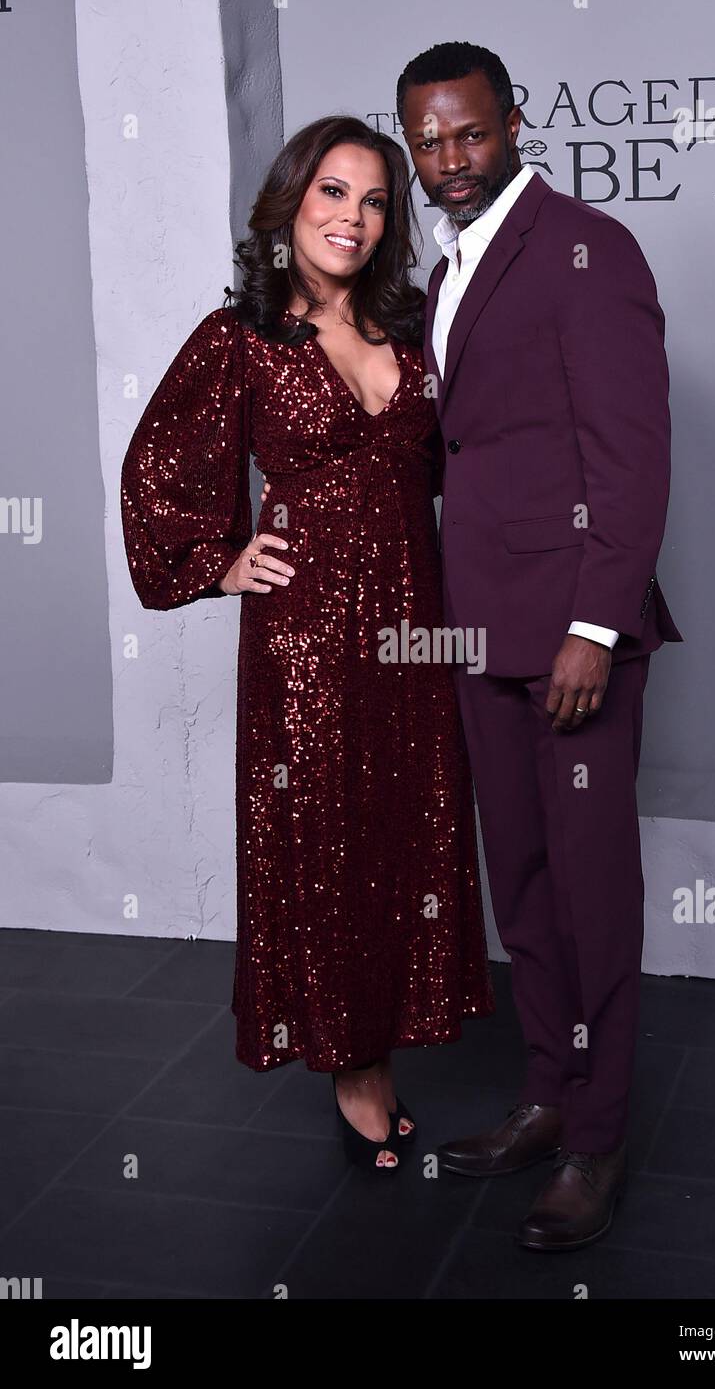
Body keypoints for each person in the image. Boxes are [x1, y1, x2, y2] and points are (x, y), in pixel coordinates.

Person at [120, 114, 494, 1175]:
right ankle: (354, 1067)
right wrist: (223, 558)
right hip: (308, 638)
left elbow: (469, 462)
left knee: (409, 825)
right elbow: (155, 471)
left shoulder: (418, 325)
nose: (355, 217)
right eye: (334, 193)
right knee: (326, 838)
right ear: (291, 204)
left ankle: (393, 1032)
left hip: (416, 628)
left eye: (376, 200)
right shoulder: (241, 334)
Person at [396, 42, 683, 1246]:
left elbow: (633, 453)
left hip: (572, 639)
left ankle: (600, 1138)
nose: (449, 160)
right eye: (428, 142)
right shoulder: (448, 268)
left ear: (514, 124)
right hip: (478, 633)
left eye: (468, 134)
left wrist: (592, 627)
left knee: (593, 894)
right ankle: (546, 1098)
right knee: (520, 884)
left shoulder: (586, 249)